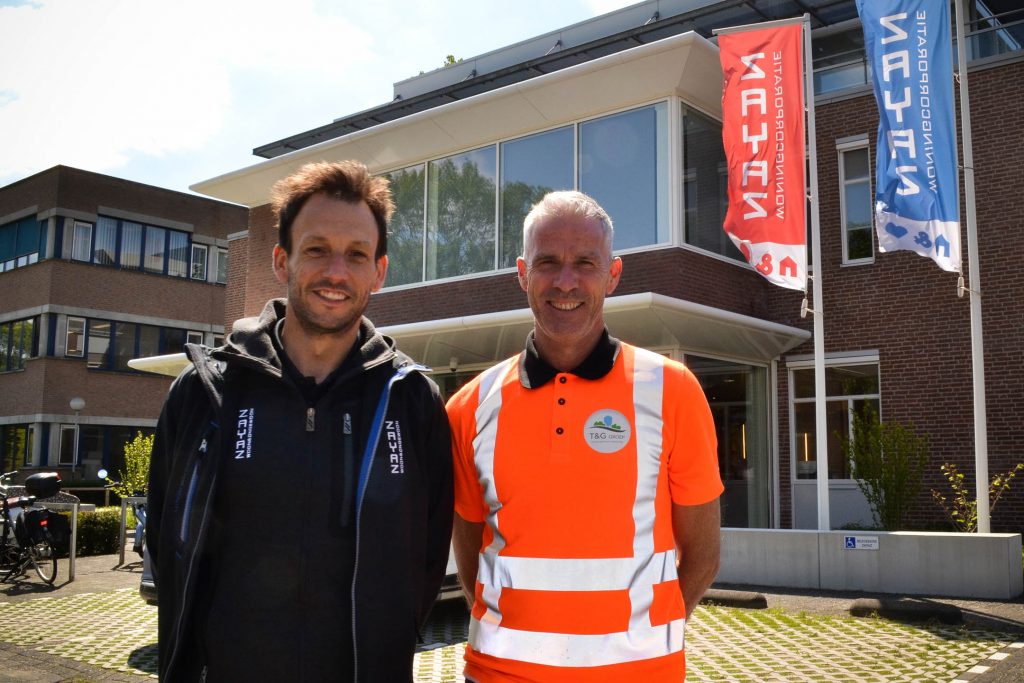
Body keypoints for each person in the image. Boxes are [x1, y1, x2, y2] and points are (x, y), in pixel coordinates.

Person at [147, 160, 454, 682]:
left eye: (356, 254)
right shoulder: (202, 394)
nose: (336, 271)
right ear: (281, 259)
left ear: (379, 271)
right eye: (317, 249)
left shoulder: (412, 401)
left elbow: (426, 559)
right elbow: (166, 543)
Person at [447, 191, 723, 682]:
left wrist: (644, 641)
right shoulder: (470, 406)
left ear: (613, 274)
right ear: (522, 273)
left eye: (585, 263)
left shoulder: (673, 391)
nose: (565, 281)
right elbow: (469, 551)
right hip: (496, 674)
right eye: (547, 262)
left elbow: (702, 555)